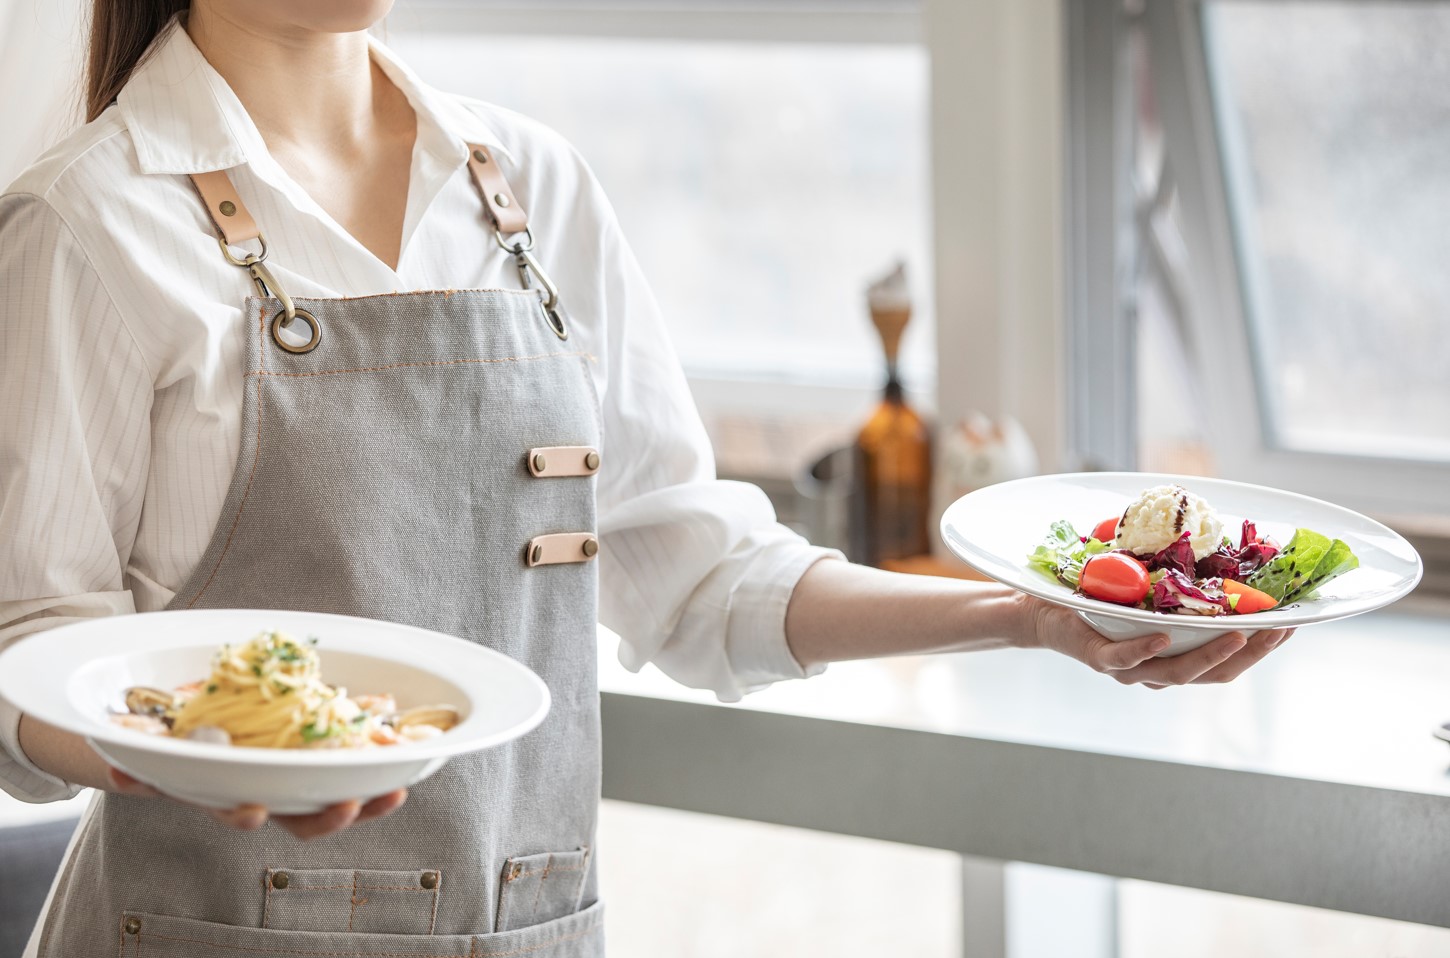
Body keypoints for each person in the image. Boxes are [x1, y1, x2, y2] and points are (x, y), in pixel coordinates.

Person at [0, 1, 1291, 954]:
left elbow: (702, 582)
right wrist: (188, 755)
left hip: (531, 926)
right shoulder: (89, 223)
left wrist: (1025, 614)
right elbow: (28, 650)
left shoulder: (530, 191)